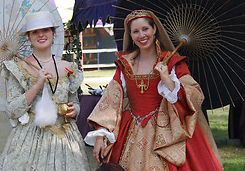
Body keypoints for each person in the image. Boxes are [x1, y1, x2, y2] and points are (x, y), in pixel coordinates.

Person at [84, 10, 223, 171]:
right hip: (131, 130)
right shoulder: (125, 65)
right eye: (136, 31)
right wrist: (100, 136)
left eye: (145, 29)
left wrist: (168, 80)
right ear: (130, 35)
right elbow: (109, 103)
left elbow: (195, 95)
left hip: (167, 131)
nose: (141, 35)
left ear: (154, 29)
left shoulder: (172, 62)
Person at [0, 11, 90, 170]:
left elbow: (73, 100)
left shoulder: (67, 68)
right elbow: (12, 110)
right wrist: (36, 85)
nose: (41, 35)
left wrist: (75, 110)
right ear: (29, 37)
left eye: (45, 30)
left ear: (53, 33)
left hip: (65, 137)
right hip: (31, 138)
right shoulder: (20, 68)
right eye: (35, 31)